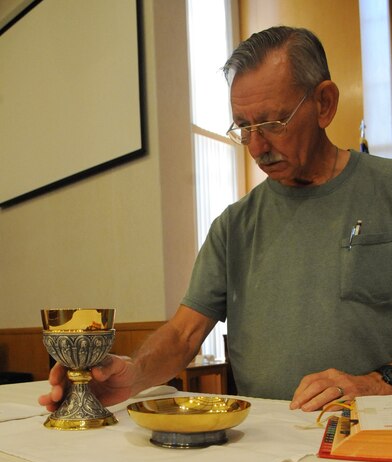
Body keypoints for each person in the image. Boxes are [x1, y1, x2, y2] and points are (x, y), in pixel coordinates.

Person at [39, 26, 392, 414]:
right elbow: (183, 333)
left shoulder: (385, 189)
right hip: (263, 437)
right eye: (244, 127)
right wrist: (132, 374)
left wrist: (376, 383)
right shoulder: (234, 226)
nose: (257, 147)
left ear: (324, 103)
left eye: (273, 124)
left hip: (371, 430)